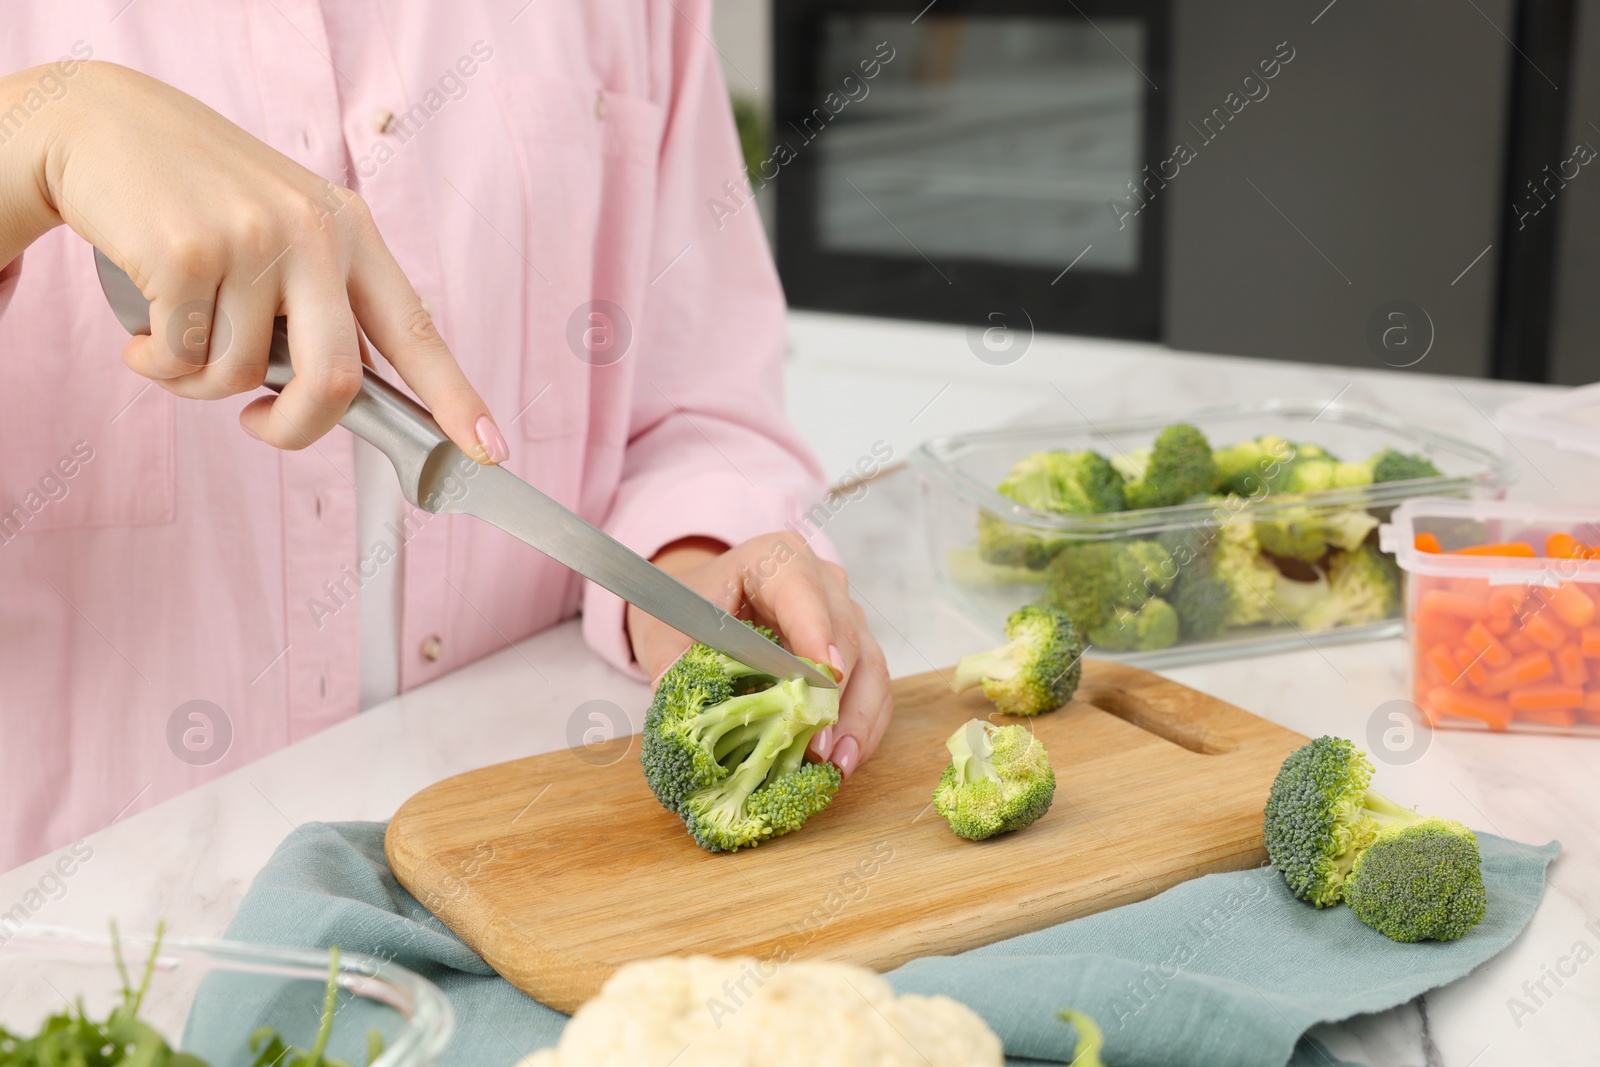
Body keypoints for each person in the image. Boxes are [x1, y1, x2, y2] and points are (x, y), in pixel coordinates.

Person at [0, 2, 891, 871]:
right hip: (87, 924)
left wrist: (694, 561)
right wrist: (37, 132)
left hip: (531, 860)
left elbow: (696, 397)